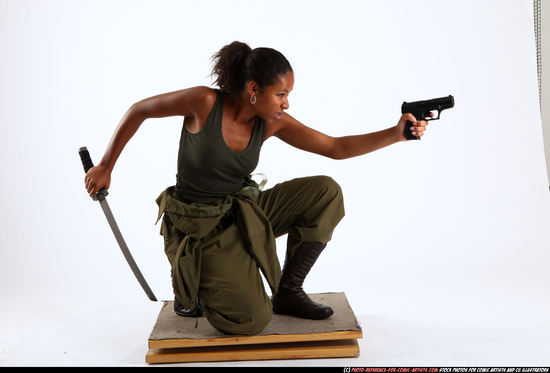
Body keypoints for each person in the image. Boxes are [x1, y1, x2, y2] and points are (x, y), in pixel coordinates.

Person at [84, 41, 429, 335]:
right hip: (199, 231)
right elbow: (139, 110)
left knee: (325, 192)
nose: (286, 104)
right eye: (281, 94)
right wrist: (106, 165)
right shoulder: (203, 103)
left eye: (287, 95)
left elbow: (335, 147)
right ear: (253, 90)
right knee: (252, 320)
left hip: (242, 213)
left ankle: (288, 292)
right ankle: (198, 283)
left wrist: (396, 134)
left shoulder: (272, 123)